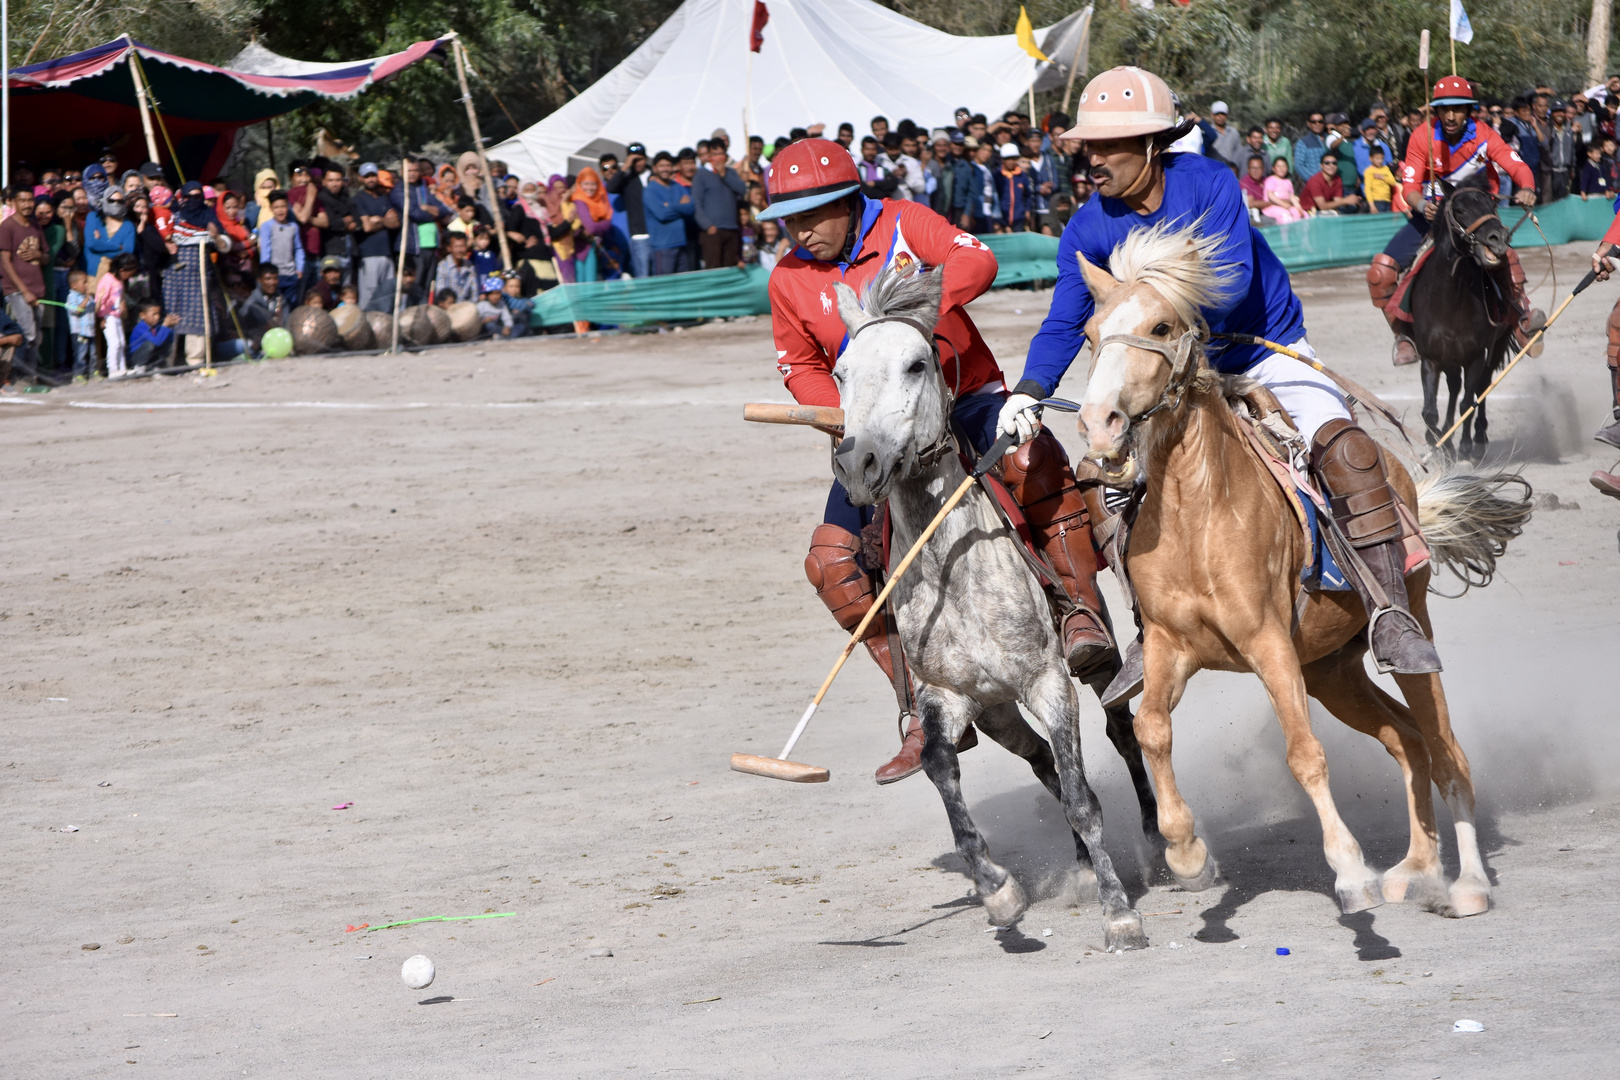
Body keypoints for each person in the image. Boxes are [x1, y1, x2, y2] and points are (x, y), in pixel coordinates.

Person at [1013, 65, 1442, 678]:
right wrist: (1028, 390)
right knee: (1102, 478)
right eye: (1089, 146)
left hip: (1261, 351)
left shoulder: (1209, 183)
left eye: (1109, 145)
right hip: (1169, 382)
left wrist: (1151, 316)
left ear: (1153, 144)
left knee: (1344, 451)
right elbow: (1063, 320)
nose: (1093, 160)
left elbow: (1231, 284)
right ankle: (1150, 629)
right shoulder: (1086, 225)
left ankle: (1390, 614)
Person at [756, 137, 1119, 783]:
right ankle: (917, 703)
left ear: (849, 202)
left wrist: (910, 318)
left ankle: (1082, 618)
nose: (800, 230)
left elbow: (975, 263)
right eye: (790, 219)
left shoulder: (901, 221)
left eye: (814, 213)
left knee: (1037, 466)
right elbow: (801, 364)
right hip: (878, 430)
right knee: (831, 560)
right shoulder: (788, 278)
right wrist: (849, 414)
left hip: (964, 396)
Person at [1368, 75, 1541, 367]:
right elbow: (1409, 187)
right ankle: (1405, 336)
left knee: (1504, 256)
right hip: (1432, 217)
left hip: (1476, 215)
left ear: (1469, 109)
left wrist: (1526, 187)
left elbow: (1517, 165)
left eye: (1458, 108)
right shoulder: (1422, 136)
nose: (1450, 115)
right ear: (1435, 110)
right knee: (1380, 273)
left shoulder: (1485, 134)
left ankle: (1520, 318)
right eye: (1444, 108)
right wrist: (1423, 205)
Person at [0, 186, 46, 371]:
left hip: (38, 288)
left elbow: (46, 257)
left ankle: (31, 375)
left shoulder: (36, 226)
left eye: (30, 200)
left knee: (37, 337)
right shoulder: (7, 226)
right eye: (23, 200)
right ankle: (16, 375)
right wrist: (24, 291)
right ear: (14, 202)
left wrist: (38, 254)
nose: (27, 204)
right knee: (27, 333)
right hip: (17, 290)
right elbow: (5, 261)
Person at [351, 162, 400, 311]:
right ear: (360, 178)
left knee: (388, 294)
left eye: (373, 175)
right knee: (370, 296)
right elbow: (367, 226)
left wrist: (378, 219)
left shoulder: (383, 198)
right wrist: (385, 220)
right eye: (367, 176)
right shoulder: (358, 199)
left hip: (386, 253)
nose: (371, 179)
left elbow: (395, 222)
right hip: (369, 255)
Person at [693, 143, 747, 269]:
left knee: (730, 269)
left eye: (721, 154)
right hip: (712, 231)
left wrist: (724, 175)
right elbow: (696, 203)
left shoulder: (731, 172)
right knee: (714, 268)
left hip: (731, 229)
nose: (718, 158)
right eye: (714, 154)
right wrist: (707, 225)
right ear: (709, 156)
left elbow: (742, 190)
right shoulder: (701, 174)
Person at [645, 152, 695, 275]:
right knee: (664, 286)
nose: (665, 169)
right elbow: (662, 214)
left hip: (681, 244)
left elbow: (691, 208)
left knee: (683, 285)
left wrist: (670, 206)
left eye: (668, 165)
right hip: (662, 247)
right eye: (662, 166)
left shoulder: (677, 186)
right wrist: (679, 205)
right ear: (655, 168)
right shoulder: (650, 190)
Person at [607, 142, 651, 277]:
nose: (637, 163)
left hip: (659, 232)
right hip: (639, 234)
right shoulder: (627, 178)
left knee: (660, 274)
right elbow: (611, 188)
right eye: (634, 160)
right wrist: (625, 167)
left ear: (646, 159)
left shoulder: (655, 174)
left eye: (640, 159)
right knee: (643, 274)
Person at [257, 190, 305, 308]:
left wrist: (300, 268)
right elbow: (265, 250)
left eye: (283, 206)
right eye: (276, 207)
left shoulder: (293, 227)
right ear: (271, 209)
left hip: (290, 274)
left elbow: (298, 249)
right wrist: (266, 272)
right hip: (274, 276)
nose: (280, 210)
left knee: (290, 305)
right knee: (274, 306)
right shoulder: (267, 226)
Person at [97, 252, 137, 378]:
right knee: (114, 343)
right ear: (121, 270)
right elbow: (100, 301)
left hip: (117, 315)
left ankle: (122, 367)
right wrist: (101, 317)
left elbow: (120, 297)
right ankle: (113, 370)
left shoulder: (119, 281)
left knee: (121, 342)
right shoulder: (107, 280)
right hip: (108, 316)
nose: (130, 276)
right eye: (129, 273)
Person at [239, 263, 290, 353]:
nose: (272, 282)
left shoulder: (280, 298)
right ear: (259, 280)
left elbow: (286, 321)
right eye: (268, 279)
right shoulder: (252, 302)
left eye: (275, 278)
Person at [128, 300, 180, 370]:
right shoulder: (140, 328)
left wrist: (170, 327)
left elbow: (168, 341)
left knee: (166, 345)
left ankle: (154, 366)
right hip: (137, 358)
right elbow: (156, 342)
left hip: (151, 358)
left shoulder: (156, 327)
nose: (157, 317)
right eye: (154, 314)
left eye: (158, 314)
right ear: (142, 315)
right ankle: (140, 367)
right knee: (150, 344)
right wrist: (165, 325)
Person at [64, 268, 95, 381]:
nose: (87, 285)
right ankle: (78, 374)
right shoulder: (71, 297)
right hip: (80, 332)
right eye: (84, 282)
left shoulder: (88, 297)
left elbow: (94, 308)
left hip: (90, 331)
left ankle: (92, 372)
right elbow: (76, 310)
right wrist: (87, 299)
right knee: (80, 354)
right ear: (74, 286)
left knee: (93, 353)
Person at [995, 143, 1033, 231]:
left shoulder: (1022, 175)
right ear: (1003, 160)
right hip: (1002, 218)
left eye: (1014, 159)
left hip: (1019, 218)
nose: (1011, 161)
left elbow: (1028, 195)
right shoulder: (997, 175)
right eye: (1008, 159)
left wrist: (1027, 210)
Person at [433, 232, 478, 302]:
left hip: (466, 306)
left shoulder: (469, 266)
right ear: (449, 248)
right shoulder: (443, 266)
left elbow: (474, 291)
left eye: (462, 246)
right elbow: (440, 291)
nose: (459, 250)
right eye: (456, 247)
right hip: (448, 306)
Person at [1262, 157, 1306, 223]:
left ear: (1287, 168)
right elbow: (1271, 196)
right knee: (1285, 215)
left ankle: (1298, 232)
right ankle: (1285, 233)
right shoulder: (1271, 180)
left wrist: (1299, 209)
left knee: (1303, 214)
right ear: (1273, 168)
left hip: (1286, 206)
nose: (1281, 169)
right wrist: (1283, 204)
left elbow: (1292, 197)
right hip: (1271, 206)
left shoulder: (1288, 182)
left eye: (1284, 166)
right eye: (1278, 166)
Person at [1206, 101, 1244, 172]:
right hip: (1212, 171)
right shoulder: (1207, 132)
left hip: (1230, 171)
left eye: (1223, 114)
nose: (1220, 117)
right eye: (1217, 114)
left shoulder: (1233, 132)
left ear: (1227, 116)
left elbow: (1238, 151)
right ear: (1212, 115)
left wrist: (1234, 166)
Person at [1361, 146, 1398, 213]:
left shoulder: (1385, 169)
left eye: (1382, 158)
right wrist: (1372, 205)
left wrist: (1382, 177)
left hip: (1387, 201)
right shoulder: (1369, 171)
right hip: (1376, 201)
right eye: (1377, 158)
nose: (1380, 161)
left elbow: (1393, 182)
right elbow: (1368, 189)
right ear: (1370, 158)